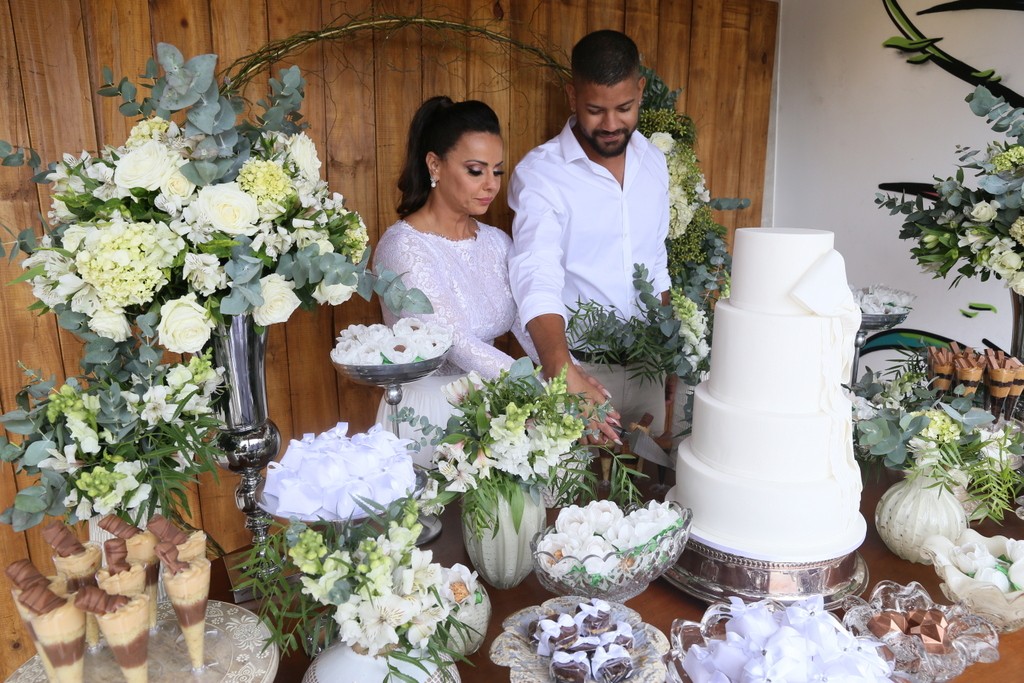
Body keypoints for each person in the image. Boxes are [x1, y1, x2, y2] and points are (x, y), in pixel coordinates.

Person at [508, 30, 671, 445]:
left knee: (648, 498)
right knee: (573, 506)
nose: (612, 124)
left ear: (640, 90)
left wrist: (668, 360)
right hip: (579, 371)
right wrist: (564, 375)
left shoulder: (653, 163)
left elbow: (656, 263)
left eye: (625, 108)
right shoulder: (542, 174)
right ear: (571, 96)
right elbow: (535, 273)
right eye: (595, 110)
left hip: (648, 370)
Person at [374, 96, 535, 466]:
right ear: (435, 164)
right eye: (476, 170)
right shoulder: (402, 248)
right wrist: (536, 390)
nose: (491, 184)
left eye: (497, 171)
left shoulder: (497, 242)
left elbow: (526, 325)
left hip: (495, 411)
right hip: (427, 414)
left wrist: (568, 377)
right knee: (431, 523)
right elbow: (451, 341)